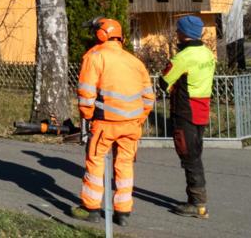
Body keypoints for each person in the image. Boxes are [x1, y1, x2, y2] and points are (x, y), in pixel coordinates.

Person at [70, 17, 154, 227]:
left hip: (105, 124)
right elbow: (148, 98)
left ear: (101, 34)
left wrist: (88, 116)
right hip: (132, 124)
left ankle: (91, 208)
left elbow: (86, 92)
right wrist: (138, 119)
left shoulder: (95, 57)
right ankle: (123, 212)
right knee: (125, 166)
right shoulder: (134, 61)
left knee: (96, 163)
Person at [159, 15, 215, 219]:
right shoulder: (207, 53)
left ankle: (197, 204)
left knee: (189, 158)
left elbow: (163, 82)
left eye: (178, 30)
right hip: (202, 108)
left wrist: (170, 83)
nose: (176, 33)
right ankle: (197, 200)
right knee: (195, 154)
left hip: (185, 111)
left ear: (184, 33)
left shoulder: (183, 57)